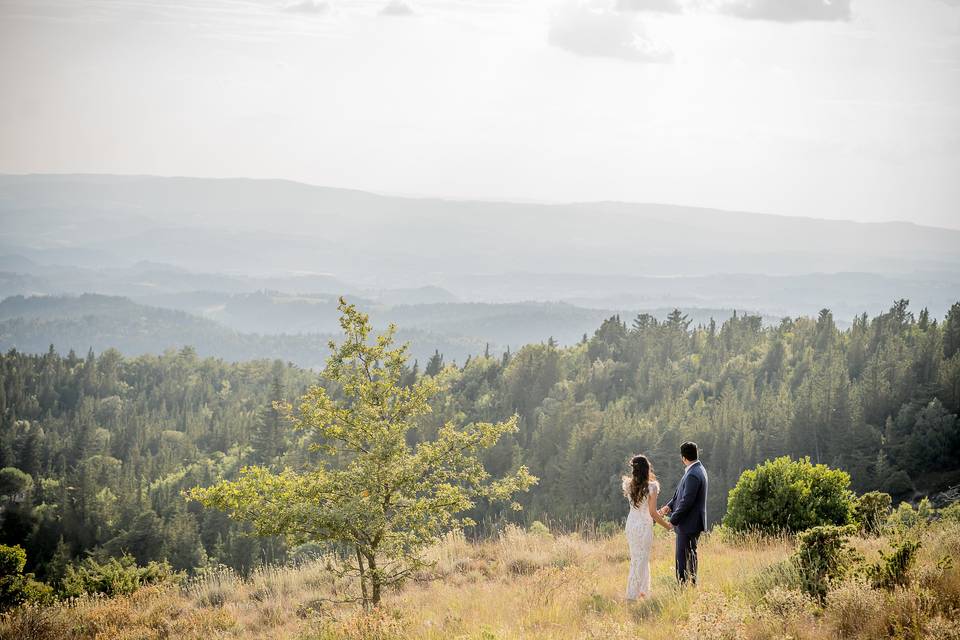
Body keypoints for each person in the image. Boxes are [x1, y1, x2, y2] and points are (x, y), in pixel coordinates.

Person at [622, 454, 673, 600]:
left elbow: (650, 511)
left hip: (631, 525)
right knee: (641, 559)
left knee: (637, 559)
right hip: (644, 527)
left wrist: (661, 512)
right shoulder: (652, 487)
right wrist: (667, 526)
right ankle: (631, 596)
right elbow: (652, 513)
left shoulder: (628, 485)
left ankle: (643, 592)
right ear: (647, 469)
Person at [659, 441, 708, 585]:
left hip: (689, 523)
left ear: (683, 458)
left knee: (683, 557)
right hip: (691, 522)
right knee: (689, 555)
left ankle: (684, 587)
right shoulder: (697, 469)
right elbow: (679, 495)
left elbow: (687, 501)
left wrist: (673, 520)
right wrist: (668, 506)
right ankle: (689, 585)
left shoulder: (693, 474)